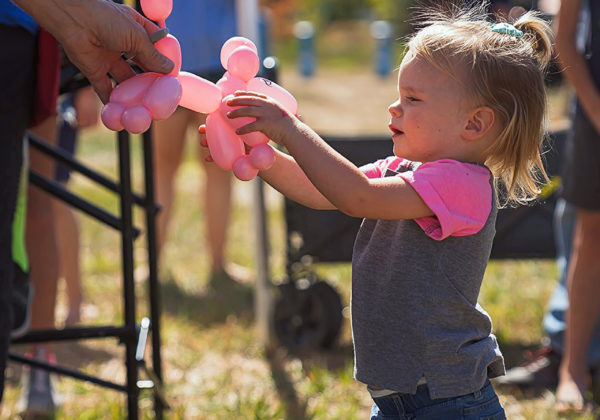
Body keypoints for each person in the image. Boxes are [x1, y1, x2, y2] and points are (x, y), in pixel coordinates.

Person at [202, 3, 553, 418]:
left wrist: (289, 129)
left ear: (474, 125)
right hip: (398, 398)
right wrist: (260, 153)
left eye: (413, 99)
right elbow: (323, 192)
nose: (394, 108)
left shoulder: (463, 184)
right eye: (398, 94)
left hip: (448, 400)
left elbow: (357, 196)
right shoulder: (405, 169)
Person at [1, 0, 173, 405]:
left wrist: (77, 60)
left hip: (34, 40)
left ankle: (38, 364)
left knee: (43, 200)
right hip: (42, 31)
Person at [153, 0, 247, 286]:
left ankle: (217, 263)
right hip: (180, 61)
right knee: (169, 168)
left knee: (205, 167)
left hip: (185, 59)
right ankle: (211, 265)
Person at [552, 0, 600, 413]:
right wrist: (597, 111)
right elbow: (564, 39)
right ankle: (573, 369)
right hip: (595, 112)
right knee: (591, 241)